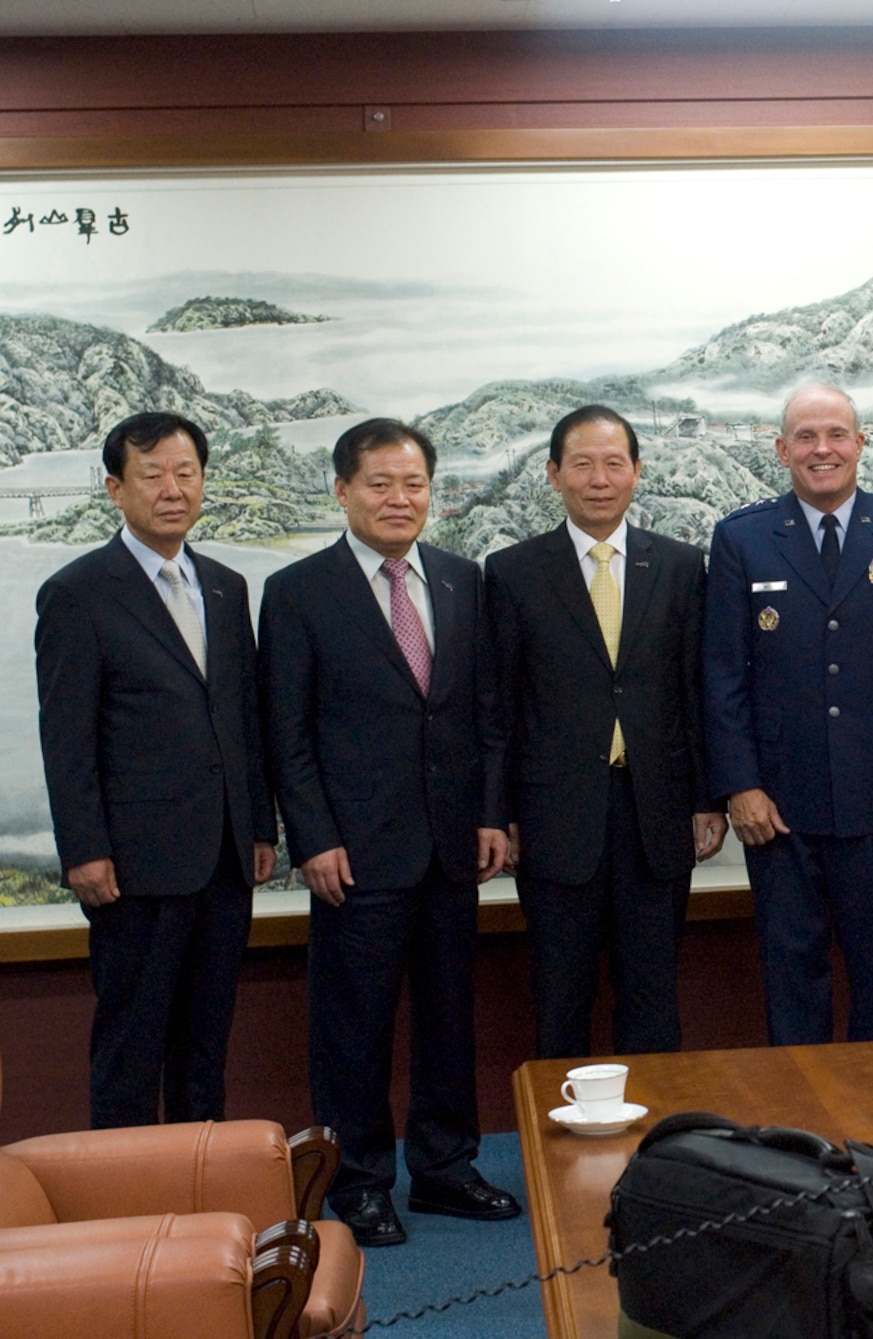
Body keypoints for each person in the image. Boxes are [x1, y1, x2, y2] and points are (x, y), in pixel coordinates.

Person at [259, 418, 515, 1247]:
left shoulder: (462, 579)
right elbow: (286, 734)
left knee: (449, 1017)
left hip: (449, 844)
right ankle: (360, 1180)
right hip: (354, 853)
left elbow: (485, 714)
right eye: (379, 483)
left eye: (413, 484)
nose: (399, 498)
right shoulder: (298, 591)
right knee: (353, 1026)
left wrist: (489, 814)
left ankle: (444, 1168)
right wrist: (313, 837)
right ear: (342, 490)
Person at [35, 411, 275, 1129]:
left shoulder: (227, 586)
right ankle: (128, 1214)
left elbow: (242, 718)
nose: (173, 490)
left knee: (205, 1048)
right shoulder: (78, 591)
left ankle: (202, 1207)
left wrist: (259, 825)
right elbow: (66, 736)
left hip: (225, 859)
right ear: (114, 488)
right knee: (131, 1047)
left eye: (186, 473)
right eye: (152, 475)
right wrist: (84, 847)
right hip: (134, 866)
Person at [704, 384, 873, 1045]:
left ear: (860, 443)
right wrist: (740, 785)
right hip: (778, 808)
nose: (823, 449)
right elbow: (724, 675)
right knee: (792, 981)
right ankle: (801, 1136)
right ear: (782, 449)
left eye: (837, 434)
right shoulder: (743, 538)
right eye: (807, 437)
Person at [485, 405, 724, 1060]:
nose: (598, 479)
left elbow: (693, 694)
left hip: (657, 814)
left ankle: (657, 1152)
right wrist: (497, 812)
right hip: (555, 818)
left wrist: (708, 797)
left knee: (652, 996)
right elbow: (499, 705)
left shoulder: (679, 567)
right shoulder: (512, 572)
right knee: (560, 997)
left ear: (637, 472)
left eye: (613, 463)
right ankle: (561, 1154)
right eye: (582, 464)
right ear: (554, 473)